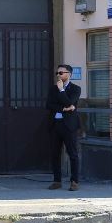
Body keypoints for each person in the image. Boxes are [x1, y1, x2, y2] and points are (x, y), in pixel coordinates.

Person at [46, 63, 81, 191]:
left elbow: (70, 102)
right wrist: (64, 108)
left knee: (72, 153)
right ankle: (57, 180)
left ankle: (74, 181)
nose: (58, 75)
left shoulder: (76, 89)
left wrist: (62, 91)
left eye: (61, 73)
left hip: (69, 126)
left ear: (69, 74)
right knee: (55, 154)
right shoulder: (52, 89)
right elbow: (49, 105)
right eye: (57, 73)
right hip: (55, 124)